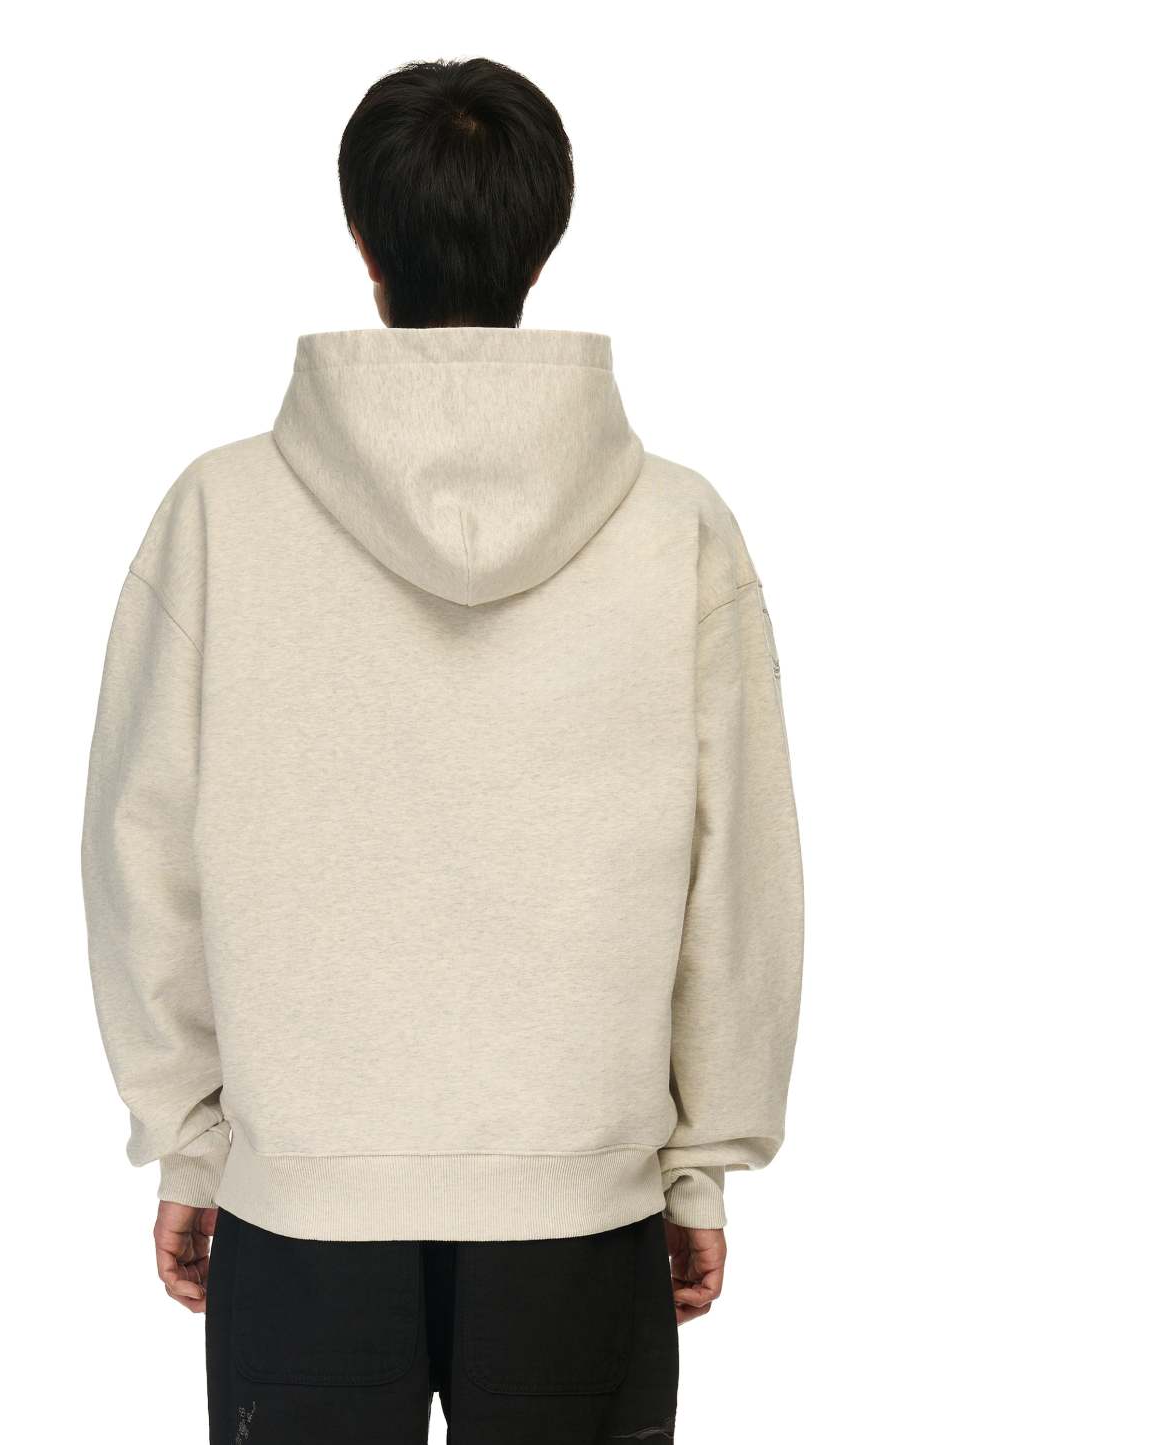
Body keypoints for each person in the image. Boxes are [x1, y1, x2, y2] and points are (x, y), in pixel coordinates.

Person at [81, 55, 803, 1444]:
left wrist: (193, 1138)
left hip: (299, 1202)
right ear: (545, 237)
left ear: (362, 237)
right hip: (584, 1206)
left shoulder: (220, 515)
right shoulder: (677, 528)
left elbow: (140, 852)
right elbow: (741, 877)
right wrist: (699, 1162)